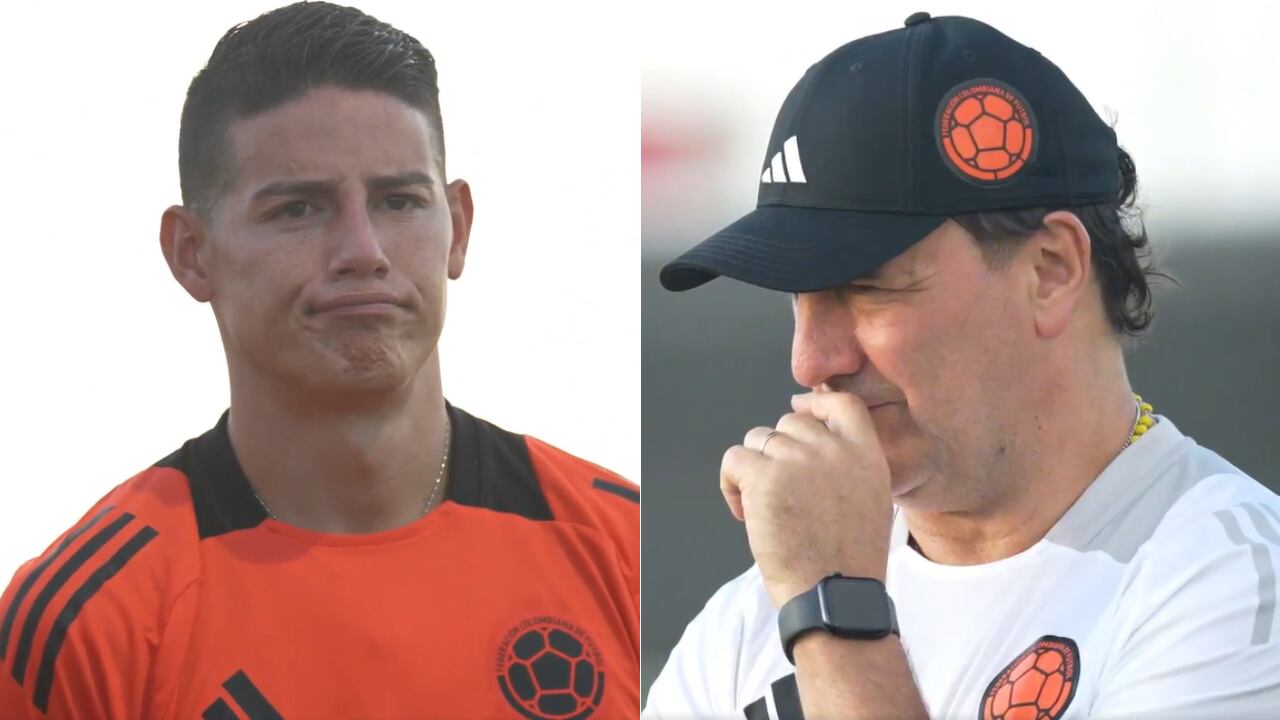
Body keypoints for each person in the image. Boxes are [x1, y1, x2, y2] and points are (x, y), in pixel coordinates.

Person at [0, 3, 638, 718]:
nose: (363, 251)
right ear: (191, 253)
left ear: (457, 228)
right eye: (298, 209)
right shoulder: (87, 624)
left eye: (399, 201)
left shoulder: (625, 549)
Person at [645, 12, 1279, 720]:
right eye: (800, 297)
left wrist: (835, 612)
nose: (812, 360)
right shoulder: (744, 628)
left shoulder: (1233, 583)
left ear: (1050, 270)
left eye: (867, 287)